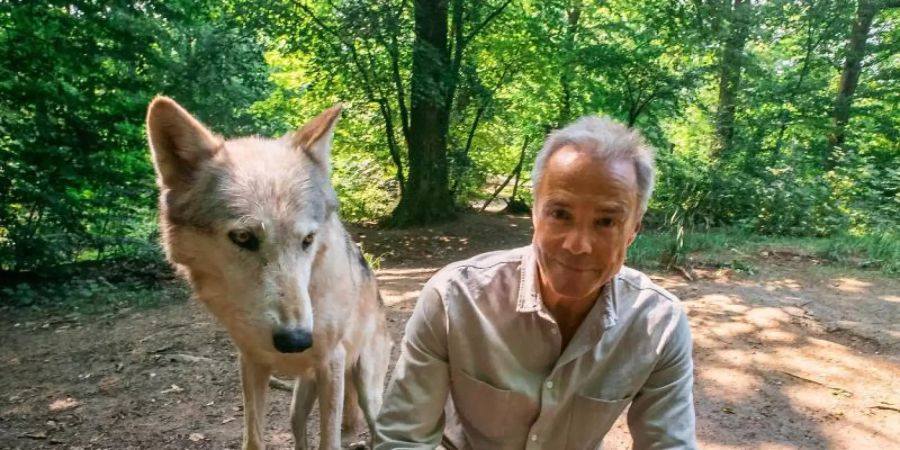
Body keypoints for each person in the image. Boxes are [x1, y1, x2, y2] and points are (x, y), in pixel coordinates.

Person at [374, 116, 697, 450]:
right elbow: (403, 438)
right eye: (560, 214)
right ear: (535, 213)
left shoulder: (659, 325)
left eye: (606, 222)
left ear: (633, 230)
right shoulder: (455, 299)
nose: (578, 245)